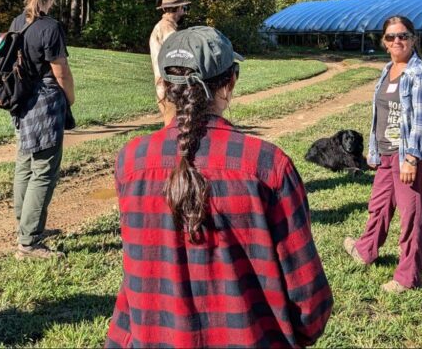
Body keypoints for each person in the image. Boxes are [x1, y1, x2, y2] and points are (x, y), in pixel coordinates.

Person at [107, 26, 332, 348]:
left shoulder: (131, 161)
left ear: (164, 87)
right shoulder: (267, 165)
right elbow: (309, 299)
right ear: (229, 84)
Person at [344, 15, 422, 293]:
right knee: (378, 206)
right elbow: (379, 114)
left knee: (412, 217)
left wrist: (411, 158)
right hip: (384, 153)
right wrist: (373, 149)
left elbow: (421, 120)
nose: (397, 41)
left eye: (403, 36)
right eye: (391, 37)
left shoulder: (419, 74)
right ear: (384, 42)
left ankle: (408, 277)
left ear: (413, 39)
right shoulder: (387, 70)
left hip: (405, 155)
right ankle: (366, 249)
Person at [8, 0, 75, 259]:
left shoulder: (17, 23)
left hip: (22, 103)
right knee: (44, 170)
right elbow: (60, 70)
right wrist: (69, 98)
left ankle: (24, 225)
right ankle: (30, 241)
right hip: (45, 104)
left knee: (25, 164)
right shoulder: (51, 27)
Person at [149, 0, 189, 125]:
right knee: (174, 127)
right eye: (183, 7)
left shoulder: (165, 26)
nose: (184, 10)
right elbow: (176, 55)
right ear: (177, 8)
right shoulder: (166, 28)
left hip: (165, 84)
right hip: (167, 85)